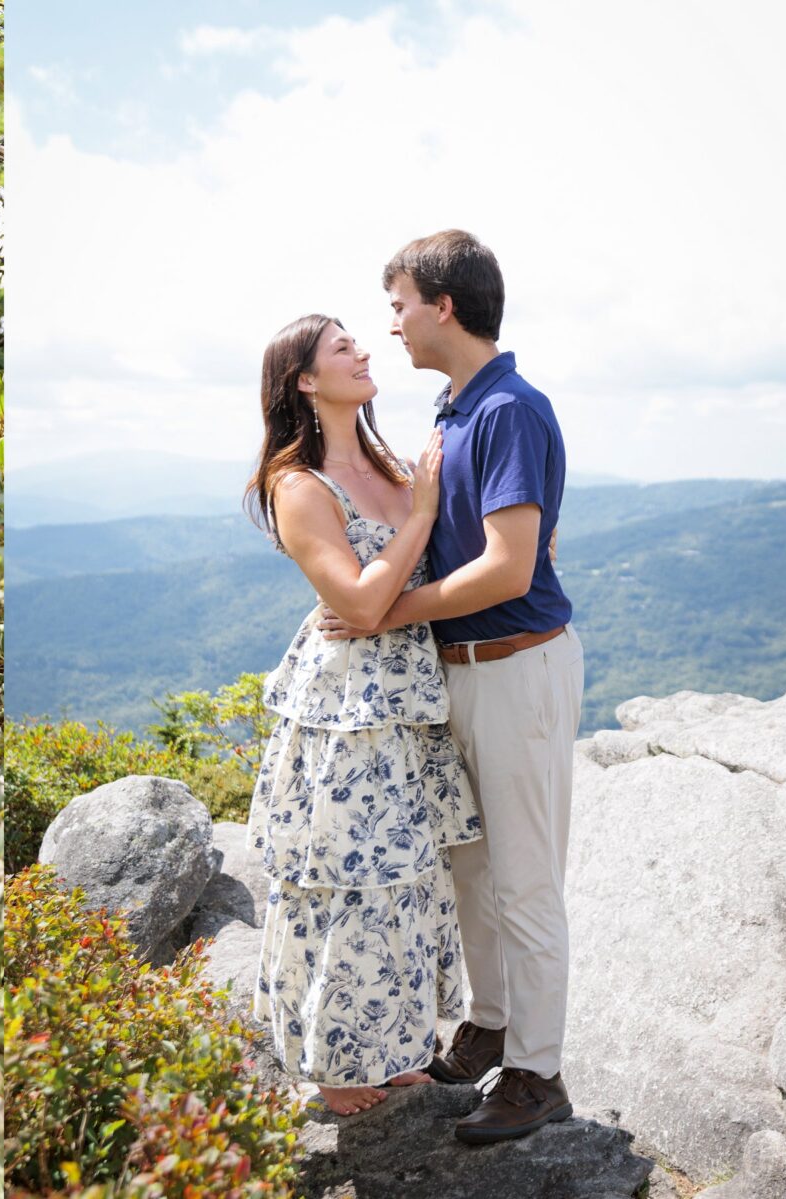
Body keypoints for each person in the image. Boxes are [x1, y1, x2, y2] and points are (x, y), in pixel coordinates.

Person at [319, 229, 584, 1144]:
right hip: (460, 674)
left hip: (516, 666)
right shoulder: (453, 408)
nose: (389, 323)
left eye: (397, 304)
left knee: (524, 882)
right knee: (473, 868)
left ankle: (540, 1072)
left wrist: (386, 613)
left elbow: (512, 568)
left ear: (444, 305)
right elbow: (522, 537)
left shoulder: (508, 406)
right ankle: (490, 1020)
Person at [245, 313, 482, 1117]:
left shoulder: (386, 458)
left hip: (409, 697)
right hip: (347, 705)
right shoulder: (299, 484)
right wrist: (418, 515)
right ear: (305, 380)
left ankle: (393, 1045)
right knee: (348, 880)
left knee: (409, 878)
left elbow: (423, 569)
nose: (364, 351)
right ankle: (335, 1062)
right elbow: (358, 600)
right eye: (342, 347)